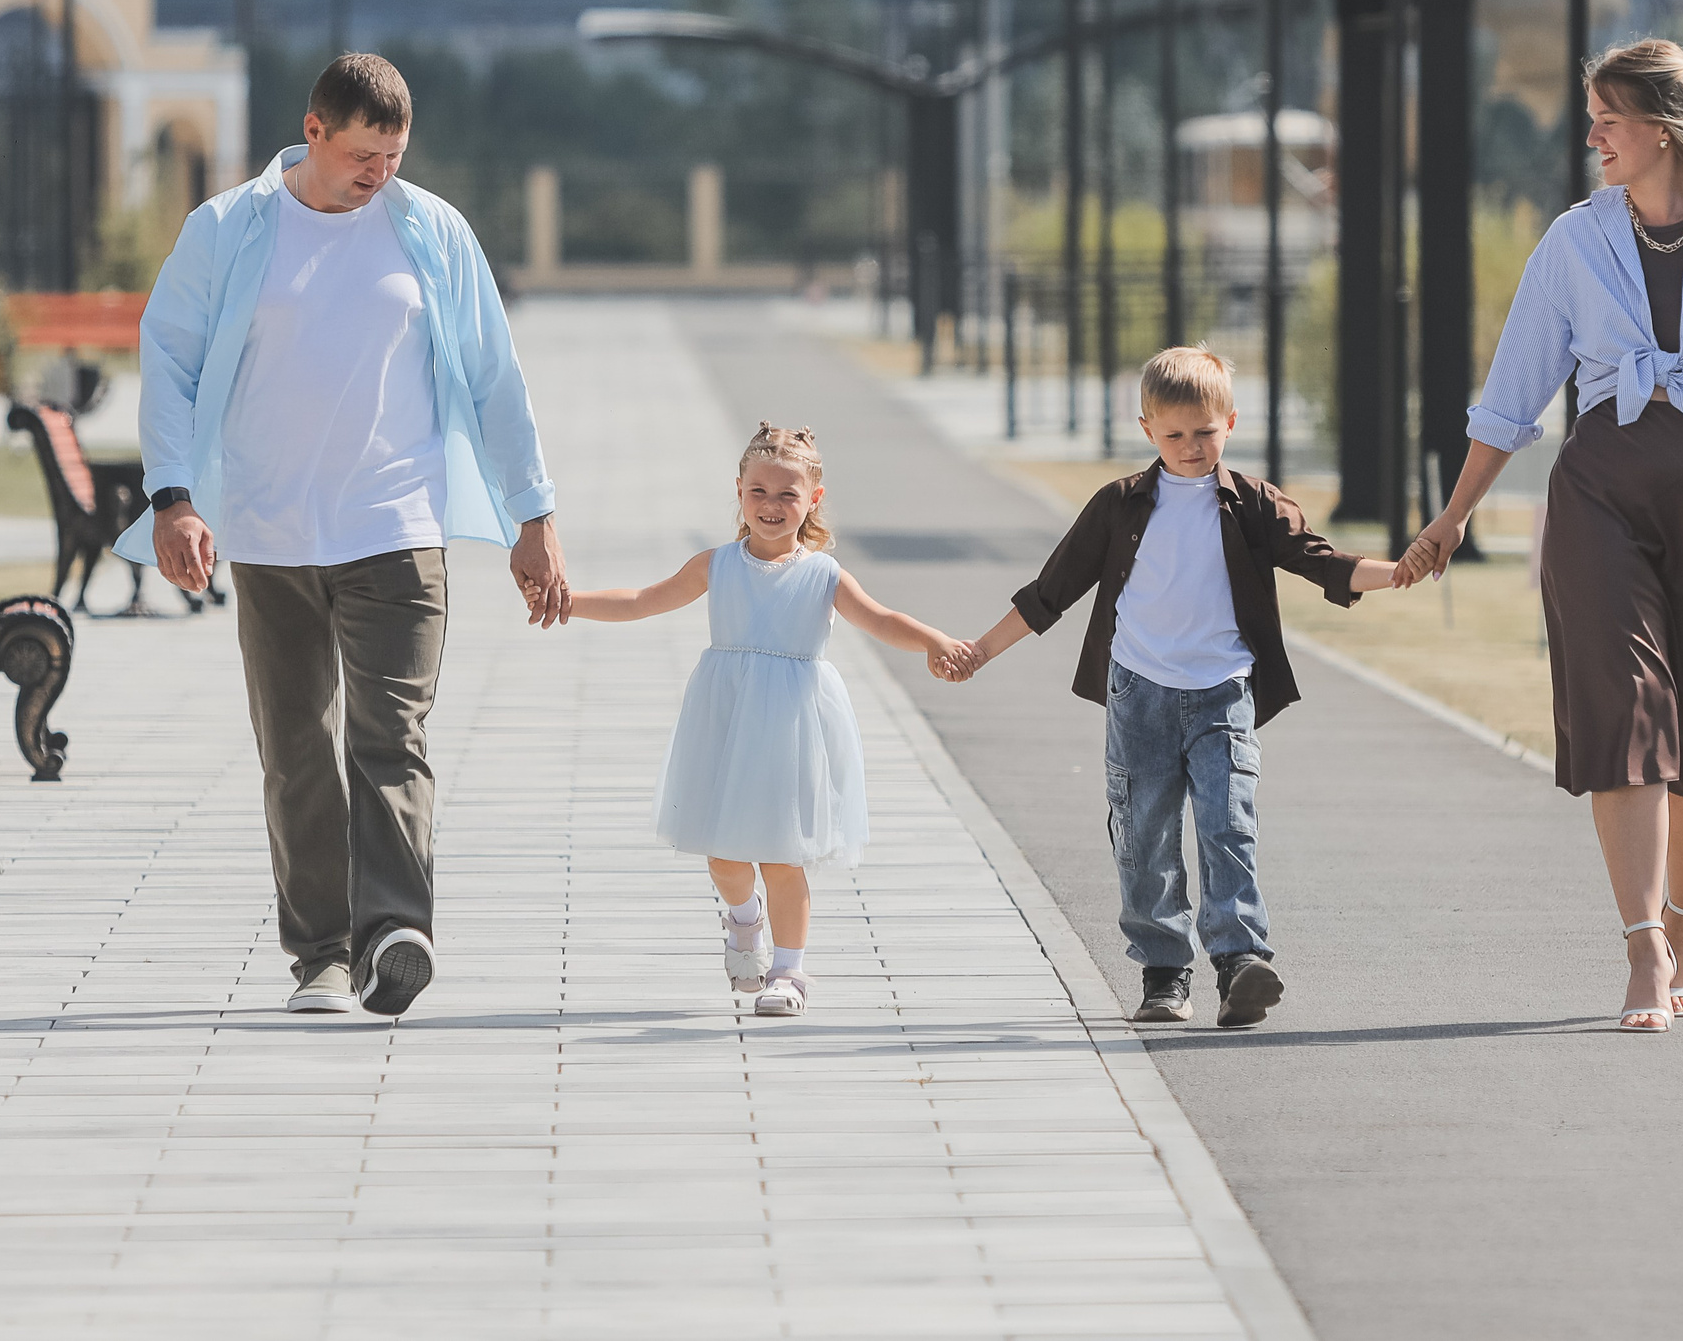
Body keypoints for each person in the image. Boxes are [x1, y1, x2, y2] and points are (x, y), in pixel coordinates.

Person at [116, 53, 571, 1020]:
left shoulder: (430, 230)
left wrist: (534, 514)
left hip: (397, 530)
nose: (380, 175)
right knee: (295, 747)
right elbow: (170, 358)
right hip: (271, 533)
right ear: (314, 130)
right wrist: (174, 496)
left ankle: (396, 929)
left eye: (395, 156)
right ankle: (321, 951)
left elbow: (495, 374)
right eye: (365, 154)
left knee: (389, 733)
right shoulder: (231, 229)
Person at [1396, 37, 1683, 1033]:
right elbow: (1511, 398)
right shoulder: (1573, 243)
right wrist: (1453, 517)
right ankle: (1642, 949)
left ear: (1662, 127)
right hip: (1599, 503)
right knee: (1625, 714)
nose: (1593, 139)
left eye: (1607, 120)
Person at [963, 348, 1396, 1029]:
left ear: (1230, 421)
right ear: (1148, 429)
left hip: (1223, 693)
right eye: (1175, 434)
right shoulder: (1118, 506)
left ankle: (1240, 963)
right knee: (1143, 836)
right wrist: (981, 649)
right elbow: (1052, 591)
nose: (1192, 447)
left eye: (1205, 431)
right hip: (1140, 693)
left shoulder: (1252, 502)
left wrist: (1398, 571)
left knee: (1230, 826)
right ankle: (1164, 975)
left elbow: (1321, 561)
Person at [561, 423, 979, 1017]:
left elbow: (882, 620)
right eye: (759, 492)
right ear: (738, 492)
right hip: (726, 720)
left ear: (814, 499)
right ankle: (743, 918)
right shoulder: (716, 564)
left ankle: (789, 972)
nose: (772, 506)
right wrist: (568, 601)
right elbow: (641, 600)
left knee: (783, 854)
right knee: (725, 856)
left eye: (788, 494)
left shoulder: (823, 574)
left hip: (791, 728)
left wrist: (934, 640)